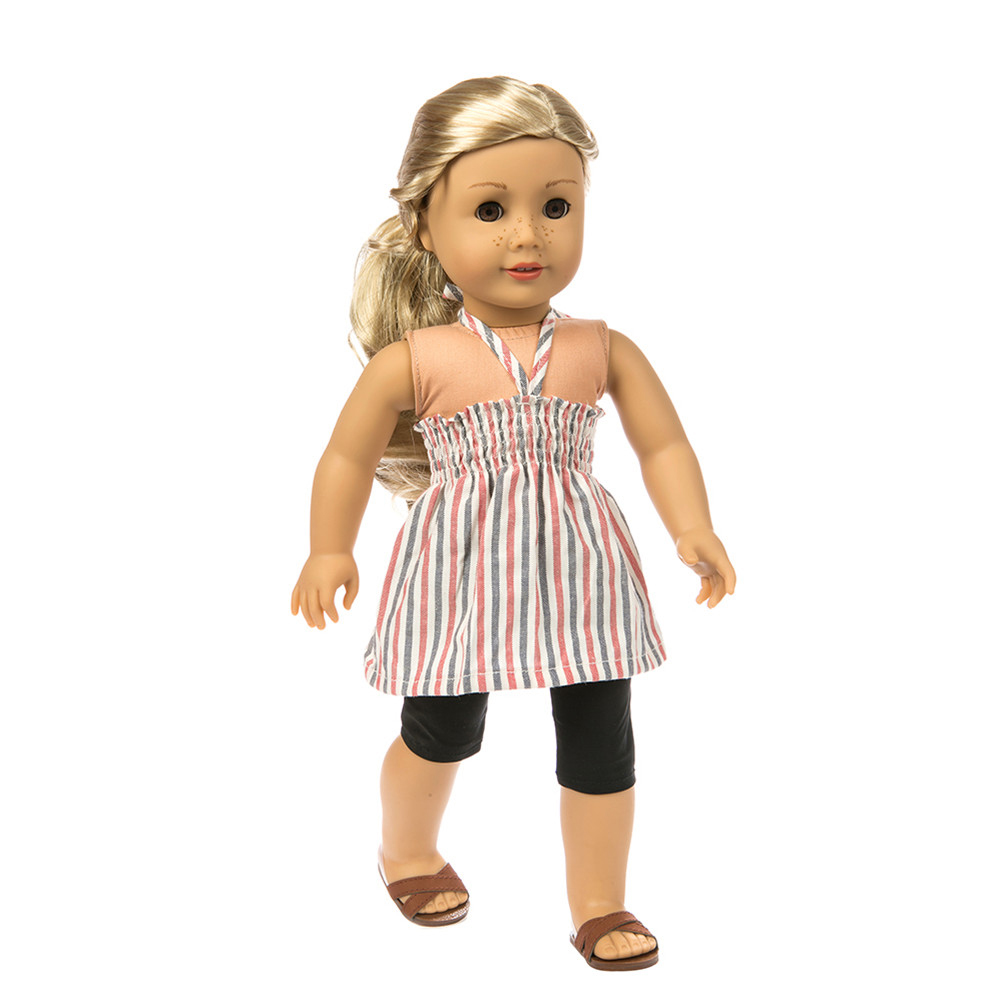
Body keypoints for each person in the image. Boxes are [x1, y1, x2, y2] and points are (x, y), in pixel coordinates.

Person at [291, 76, 735, 971]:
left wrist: (693, 525)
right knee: (443, 727)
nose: (527, 235)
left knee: (602, 737)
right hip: (460, 571)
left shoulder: (601, 346)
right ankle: (406, 852)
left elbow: (662, 443)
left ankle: (599, 903)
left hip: (581, 569)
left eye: (555, 207)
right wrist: (328, 548)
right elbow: (344, 456)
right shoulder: (418, 359)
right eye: (490, 210)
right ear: (425, 226)